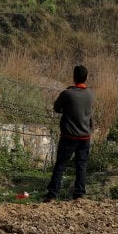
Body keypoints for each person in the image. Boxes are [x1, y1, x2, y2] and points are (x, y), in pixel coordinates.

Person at [44, 65, 95, 202]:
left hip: (69, 136)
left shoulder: (67, 94)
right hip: (85, 136)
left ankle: (52, 195)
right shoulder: (90, 94)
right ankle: (79, 194)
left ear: (74, 77)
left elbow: (56, 108)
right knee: (81, 165)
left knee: (60, 165)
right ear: (87, 77)